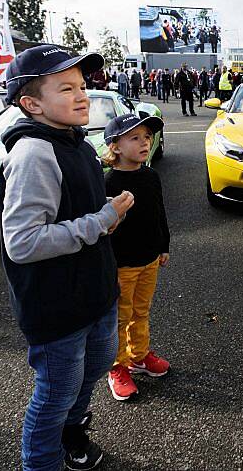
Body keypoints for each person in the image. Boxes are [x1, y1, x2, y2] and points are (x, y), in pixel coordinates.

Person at [0, 45, 135, 471]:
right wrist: (101, 218)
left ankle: (72, 434)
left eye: (81, 86)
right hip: (56, 304)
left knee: (89, 372)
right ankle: (42, 462)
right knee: (55, 392)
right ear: (31, 103)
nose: (82, 96)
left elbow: (71, 214)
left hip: (95, 292)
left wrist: (102, 214)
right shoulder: (34, 153)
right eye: (66, 88)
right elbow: (22, 243)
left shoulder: (74, 140)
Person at [101, 114, 171, 401]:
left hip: (149, 259)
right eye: (135, 138)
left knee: (141, 312)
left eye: (147, 137)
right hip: (121, 265)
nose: (144, 143)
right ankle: (117, 366)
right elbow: (100, 227)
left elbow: (159, 214)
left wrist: (163, 246)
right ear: (115, 147)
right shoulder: (107, 183)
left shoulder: (151, 176)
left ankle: (139, 355)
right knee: (119, 316)